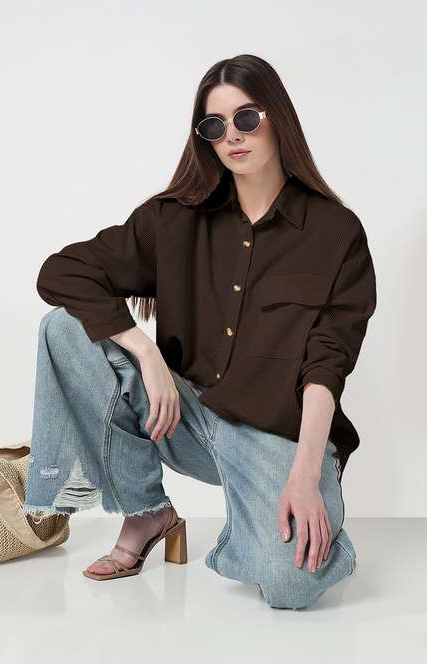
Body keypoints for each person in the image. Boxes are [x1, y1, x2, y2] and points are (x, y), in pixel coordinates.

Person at [22, 54, 377, 609]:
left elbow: (326, 366)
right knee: (64, 328)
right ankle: (146, 514)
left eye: (246, 118)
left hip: (278, 437)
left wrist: (306, 472)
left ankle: (320, 530)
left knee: (291, 587)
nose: (232, 135)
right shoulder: (175, 218)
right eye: (215, 125)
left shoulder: (335, 231)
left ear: (278, 117)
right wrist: (145, 352)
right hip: (183, 418)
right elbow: (61, 272)